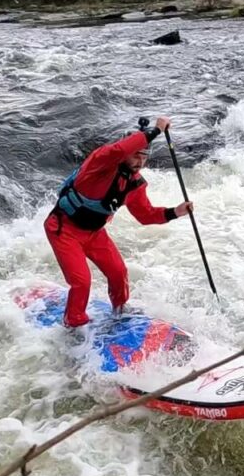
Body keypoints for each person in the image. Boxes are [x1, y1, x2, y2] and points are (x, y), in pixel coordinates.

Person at [45, 116, 193, 329]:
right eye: (135, 155)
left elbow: (145, 215)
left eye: (144, 156)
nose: (139, 161)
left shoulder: (135, 184)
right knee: (82, 281)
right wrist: (156, 131)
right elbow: (119, 149)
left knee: (118, 272)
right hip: (63, 229)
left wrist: (175, 212)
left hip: (94, 233)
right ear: (125, 152)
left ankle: (120, 311)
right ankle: (74, 324)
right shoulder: (100, 162)